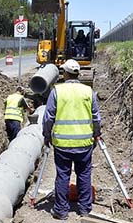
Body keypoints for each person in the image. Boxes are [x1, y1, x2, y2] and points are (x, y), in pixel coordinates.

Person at [42, 59, 101, 220]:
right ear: (78, 74)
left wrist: (46, 136)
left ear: (65, 73)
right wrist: (96, 134)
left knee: (63, 175)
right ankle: (84, 209)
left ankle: (61, 211)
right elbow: (96, 117)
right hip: (84, 143)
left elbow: (48, 118)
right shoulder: (88, 91)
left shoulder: (57, 91)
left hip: (63, 144)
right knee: (84, 174)